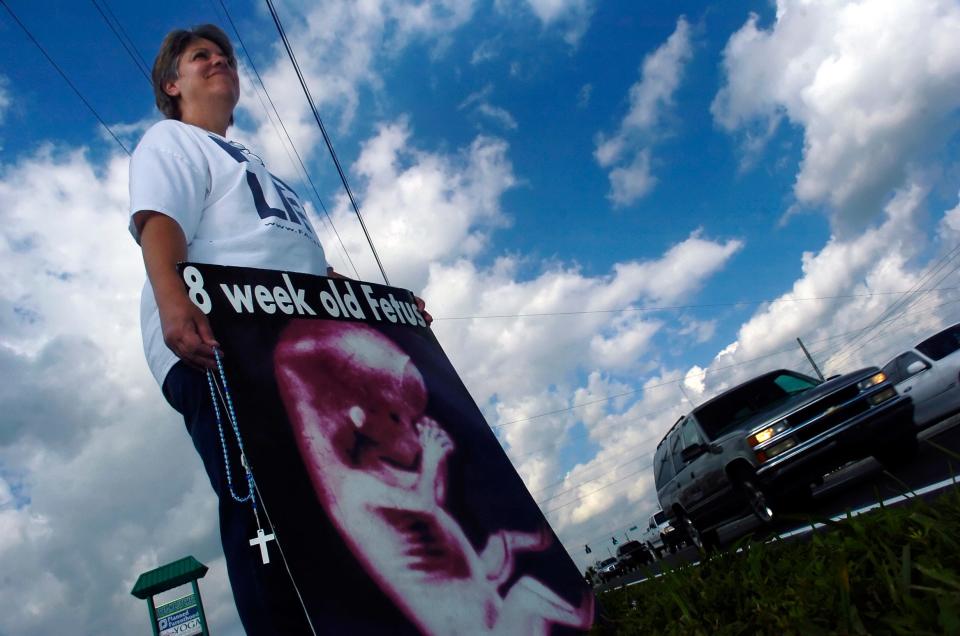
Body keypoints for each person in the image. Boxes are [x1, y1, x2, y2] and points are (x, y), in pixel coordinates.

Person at [128, 24, 378, 634]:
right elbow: (159, 221)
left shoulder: (255, 166)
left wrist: (381, 312)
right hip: (222, 339)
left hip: (299, 340)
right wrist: (173, 299)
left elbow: (304, 268)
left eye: (225, 56)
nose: (219, 62)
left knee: (342, 506)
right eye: (200, 58)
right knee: (267, 509)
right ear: (172, 84)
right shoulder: (173, 141)